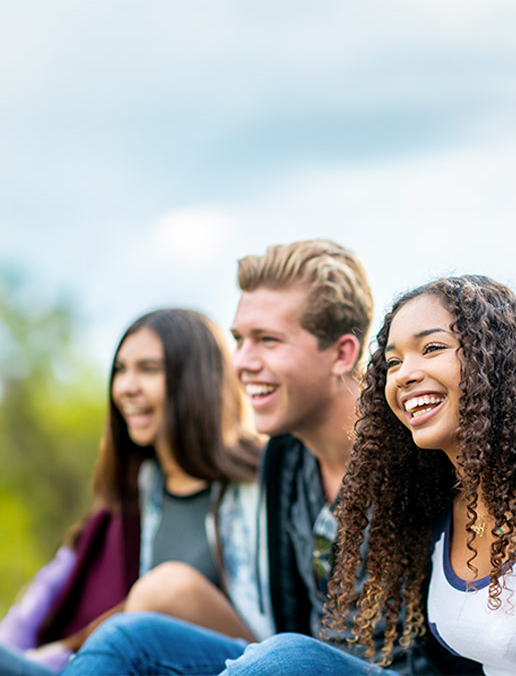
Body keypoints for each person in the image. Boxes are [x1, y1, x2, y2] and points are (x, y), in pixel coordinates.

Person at [199, 273, 516, 674]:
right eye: (393, 362)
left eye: (431, 349)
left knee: (282, 663)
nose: (405, 375)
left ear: (496, 363)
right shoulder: (437, 511)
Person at [68, 240, 448, 674]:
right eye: (239, 341)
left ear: (342, 353)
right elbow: (292, 620)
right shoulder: (286, 460)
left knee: (285, 656)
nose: (242, 363)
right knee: (128, 638)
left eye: (267, 340)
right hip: (297, 663)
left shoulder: (417, 447)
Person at [0, 307, 266, 676]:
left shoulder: (263, 478)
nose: (126, 387)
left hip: (242, 664)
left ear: (195, 379)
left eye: (148, 369)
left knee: (165, 588)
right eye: (121, 370)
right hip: (144, 664)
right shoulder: (147, 484)